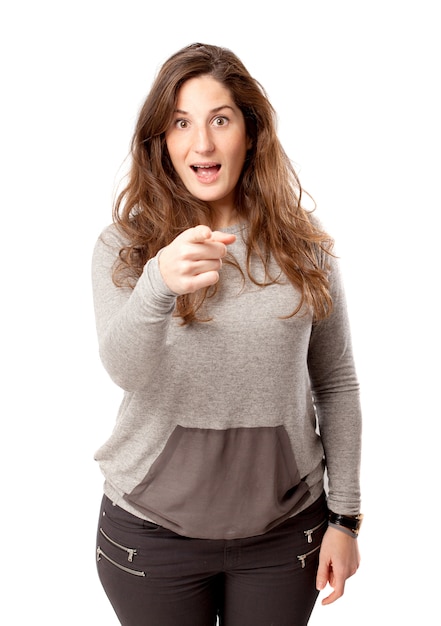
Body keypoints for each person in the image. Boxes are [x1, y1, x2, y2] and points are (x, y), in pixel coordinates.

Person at [91, 42, 362, 626]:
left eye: (220, 119)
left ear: (251, 131)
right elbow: (124, 370)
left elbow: (335, 384)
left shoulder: (305, 246)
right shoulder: (127, 247)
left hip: (284, 536)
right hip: (151, 538)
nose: (203, 143)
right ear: (161, 141)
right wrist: (159, 284)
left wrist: (345, 519)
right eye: (181, 123)